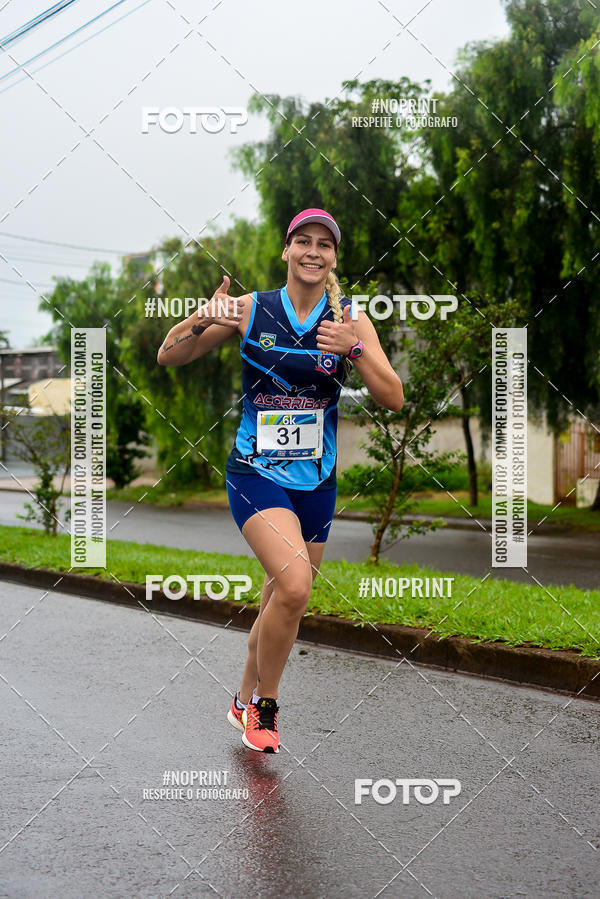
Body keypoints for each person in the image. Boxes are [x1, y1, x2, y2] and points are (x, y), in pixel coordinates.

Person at [158, 208, 404, 753]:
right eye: (304, 242)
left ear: (333, 257)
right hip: (255, 472)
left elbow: (393, 397)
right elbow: (168, 356)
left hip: (316, 481)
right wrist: (200, 318)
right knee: (295, 586)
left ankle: (241, 698)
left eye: (324, 244)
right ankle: (264, 709)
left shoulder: (349, 319)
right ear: (287, 251)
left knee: (280, 596)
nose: (313, 252)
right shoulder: (251, 309)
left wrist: (354, 350)